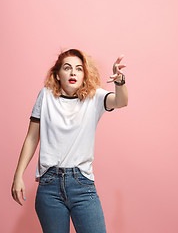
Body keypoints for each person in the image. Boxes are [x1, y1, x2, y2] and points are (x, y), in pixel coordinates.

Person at [11, 49, 128, 233]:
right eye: (67, 68)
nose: (73, 72)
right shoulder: (46, 96)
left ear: (84, 75)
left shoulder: (94, 97)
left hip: (82, 184)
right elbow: (32, 137)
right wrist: (18, 176)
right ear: (57, 75)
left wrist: (120, 82)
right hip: (49, 185)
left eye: (79, 69)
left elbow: (121, 101)